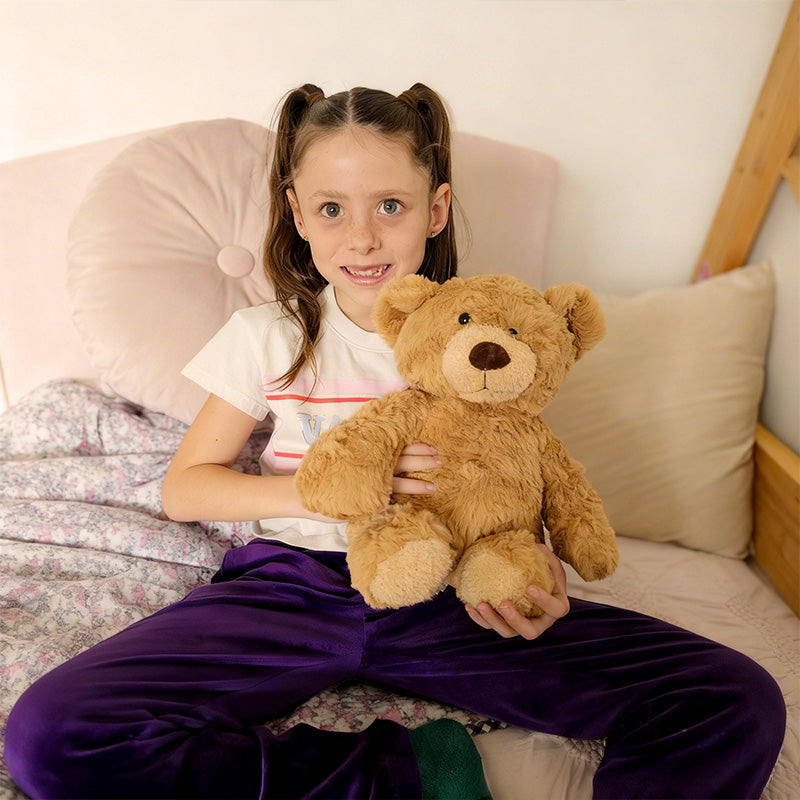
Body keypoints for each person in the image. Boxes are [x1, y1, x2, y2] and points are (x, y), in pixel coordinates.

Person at [4, 83, 785, 800]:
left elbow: (518, 472)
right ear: (297, 213)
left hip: (447, 600)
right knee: (50, 735)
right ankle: (411, 777)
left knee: (733, 699)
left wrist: (537, 568)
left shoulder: (483, 334)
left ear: (436, 209)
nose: (363, 238)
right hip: (292, 588)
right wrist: (327, 491)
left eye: (390, 205)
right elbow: (186, 488)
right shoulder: (269, 335)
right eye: (332, 209)